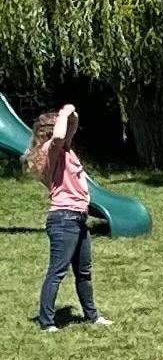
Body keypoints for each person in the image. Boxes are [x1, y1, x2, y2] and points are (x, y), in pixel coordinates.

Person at [26, 104, 109, 333]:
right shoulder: (49, 151)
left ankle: (92, 316)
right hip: (63, 219)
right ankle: (47, 322)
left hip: (78, 218)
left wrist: (71, 113)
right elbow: (61, 133)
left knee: (84, 272)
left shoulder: (65, 150)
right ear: (50, 132)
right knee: (57, 271)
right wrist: (65, 110)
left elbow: (70, 127)